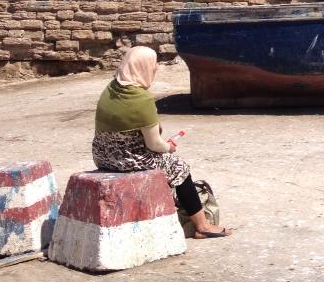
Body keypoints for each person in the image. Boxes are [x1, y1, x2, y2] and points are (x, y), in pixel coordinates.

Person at [92, 45, 231, 238]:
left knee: (165, 164)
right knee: (179, 167)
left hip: (102, 156)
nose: (156, 67)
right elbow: (154, 145)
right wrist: (169, 147)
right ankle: (202, 225)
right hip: (127, 160)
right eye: (153, 63)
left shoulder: (110, 88)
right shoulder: (141, 99)